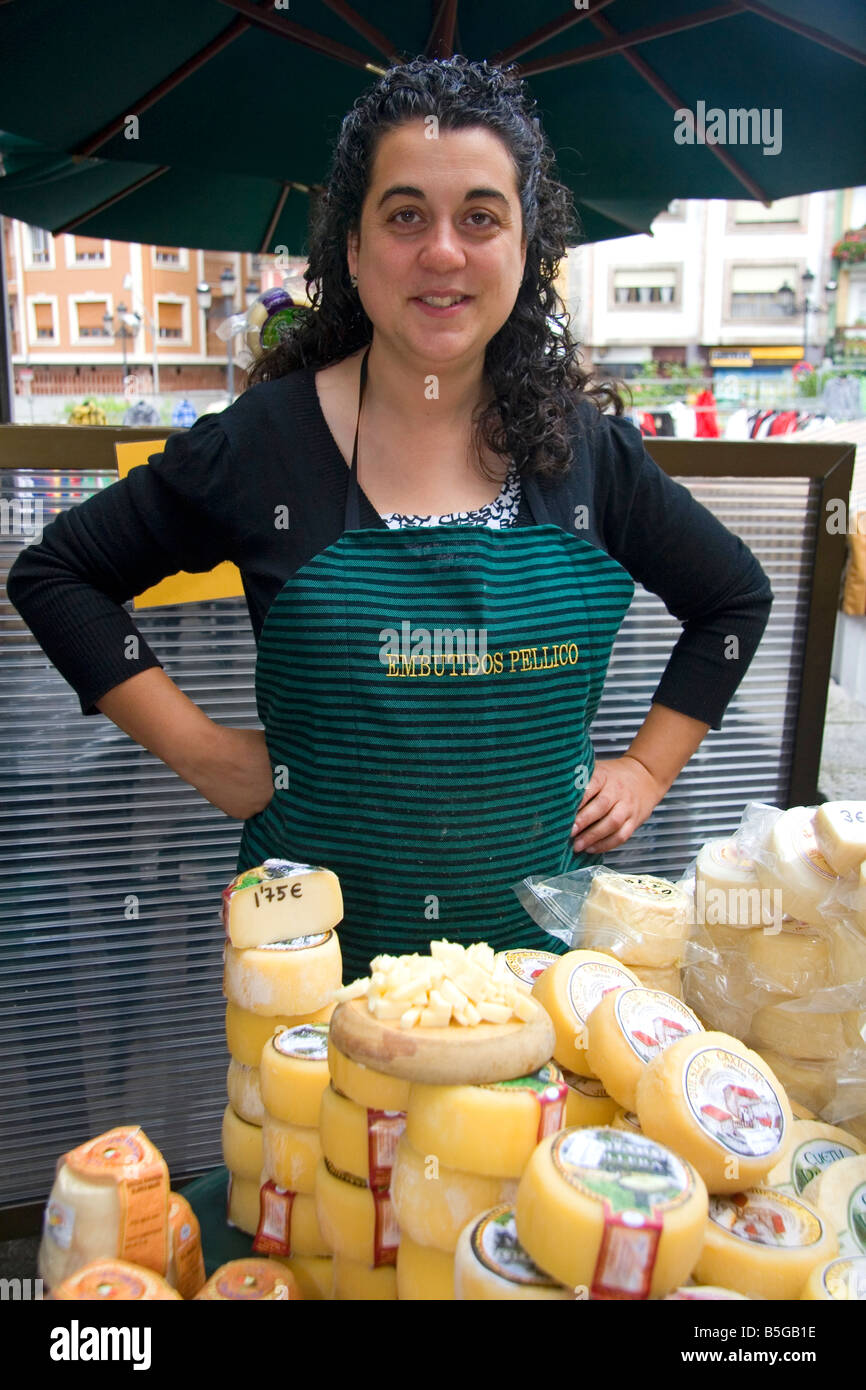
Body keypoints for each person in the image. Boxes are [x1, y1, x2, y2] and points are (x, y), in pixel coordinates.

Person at [7, 57, 772, 982]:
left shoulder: (589, 454)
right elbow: (56, 578)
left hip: (541, 980)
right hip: (312, 985)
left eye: (480, 217)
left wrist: (648, 769)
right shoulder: (262, 447)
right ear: (355, 250)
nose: (443, 251)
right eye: (406, 215)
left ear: (525, 251)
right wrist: (204, 754)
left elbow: (733, 597)